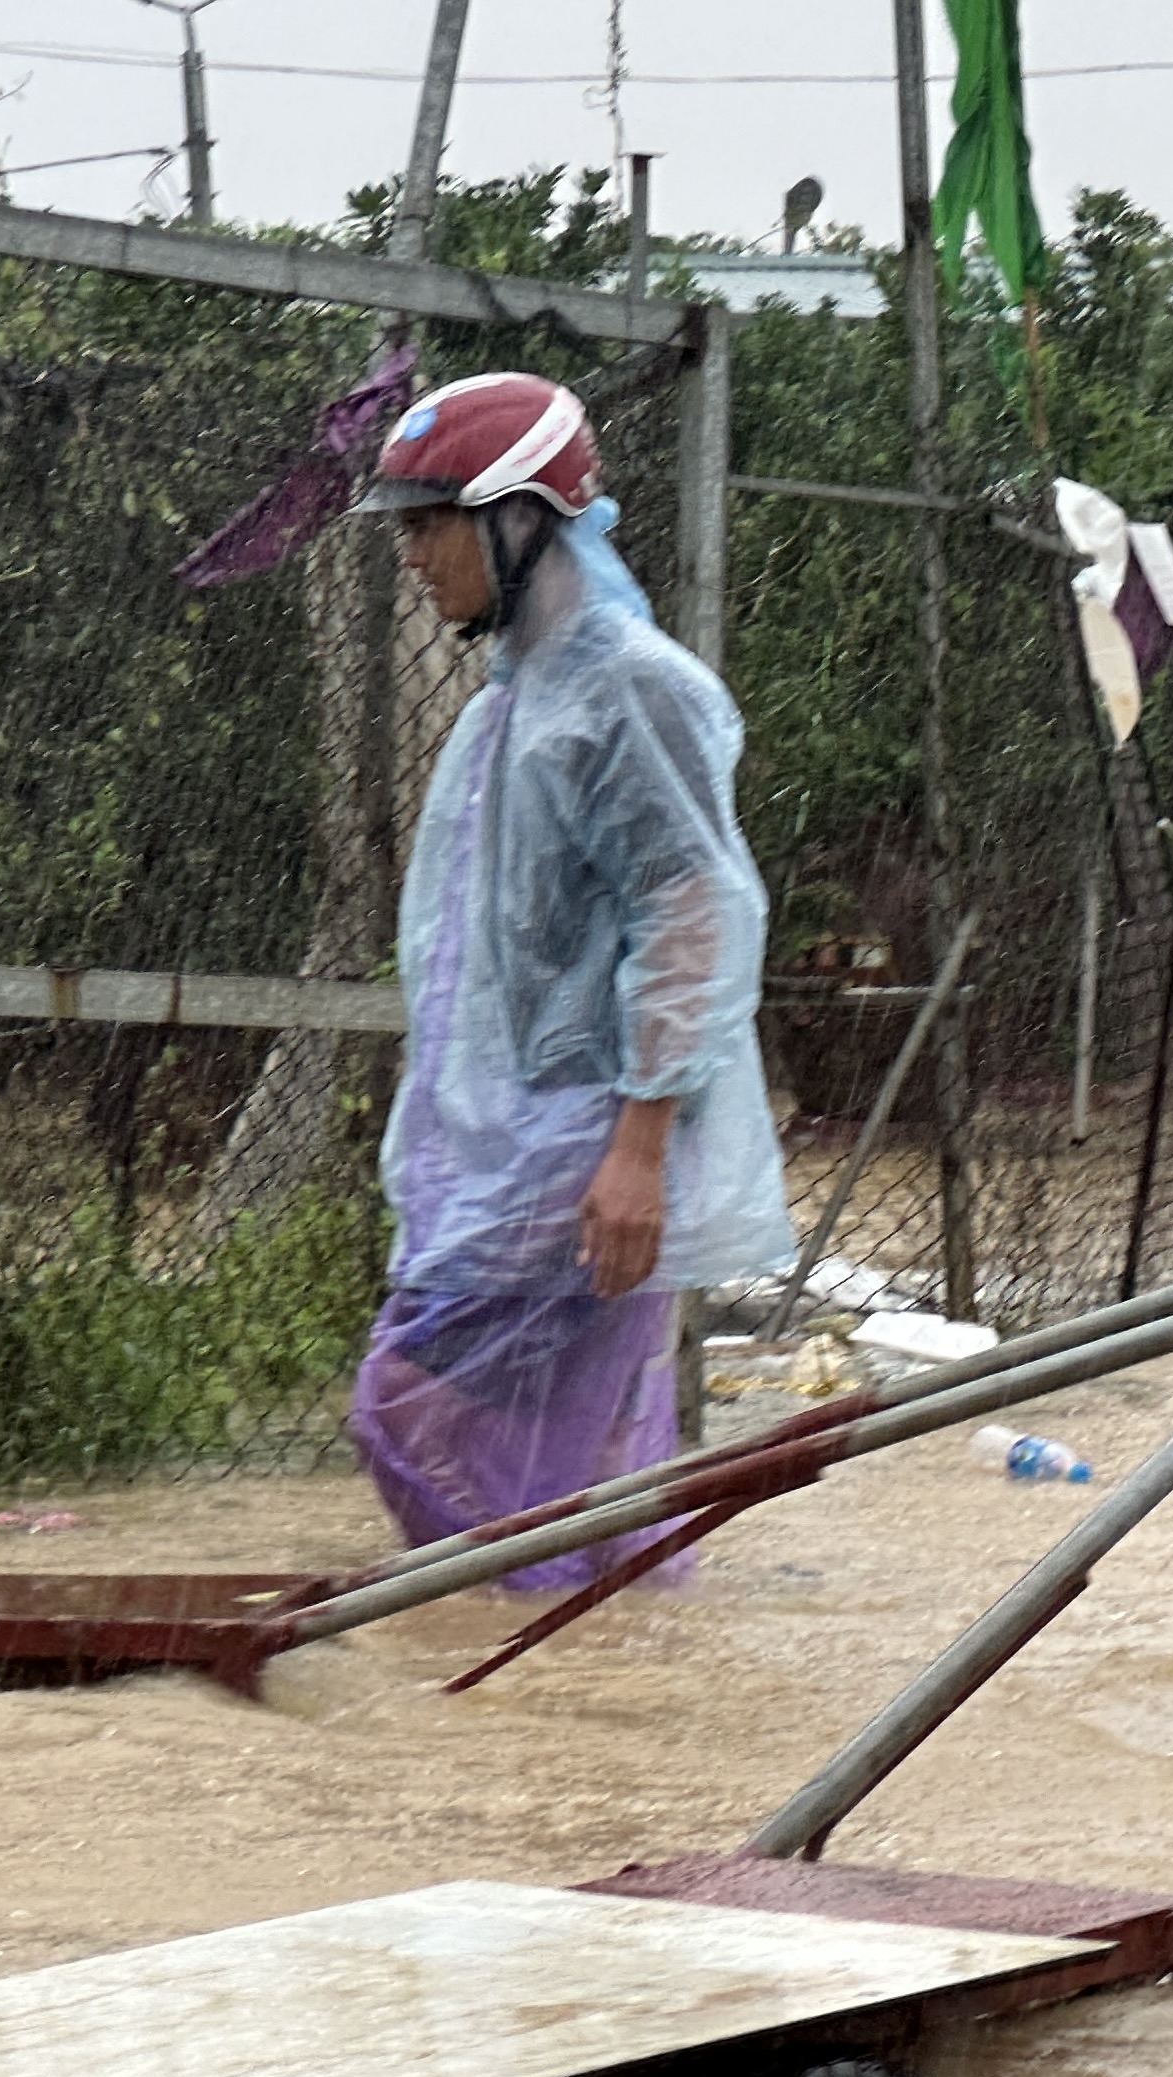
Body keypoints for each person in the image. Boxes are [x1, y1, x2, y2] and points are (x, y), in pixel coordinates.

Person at [342, 373, 795, 1589]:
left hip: (580, 1155)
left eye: (430, 521)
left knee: (402, 1407)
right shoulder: (512, 704)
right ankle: (592, 1669)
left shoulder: (631, 687)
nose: (413, 553)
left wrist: (639, 1146)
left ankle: (513, 1637)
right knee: (568, 1454)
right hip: (507, 1155)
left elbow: (695, 910)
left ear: (523, 514)